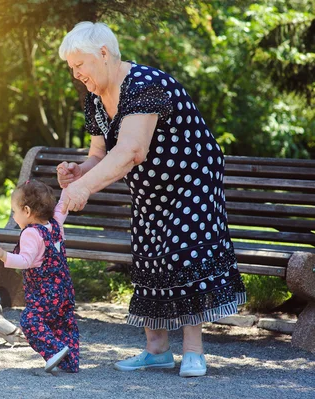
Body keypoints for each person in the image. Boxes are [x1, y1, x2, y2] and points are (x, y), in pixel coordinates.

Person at [57, 22, 246, 377]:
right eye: (70, 67)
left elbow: (131, 149)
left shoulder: (145, 85)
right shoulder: (96, 98)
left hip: (192, 182)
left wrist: (84, 190)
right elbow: (100, 153)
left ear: (103, 53)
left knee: (186, 254)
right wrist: (80, 172)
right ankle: (156, 350)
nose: (76, 72)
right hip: (149, 190)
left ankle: (193, 351)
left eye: (78, 63)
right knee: (148, 260)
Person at [0, 180, 80, 373]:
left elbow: (25, 260)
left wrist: (3, 255)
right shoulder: (55, 224)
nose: (14, 215)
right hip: (64, 290)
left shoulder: (31, 233)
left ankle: (55, 350)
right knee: (63, 324)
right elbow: (63, 206)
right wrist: (68, 187)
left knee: (30, 321)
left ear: (27, 211)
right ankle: (69, 362)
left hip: (44, 293)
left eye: (14, 211)